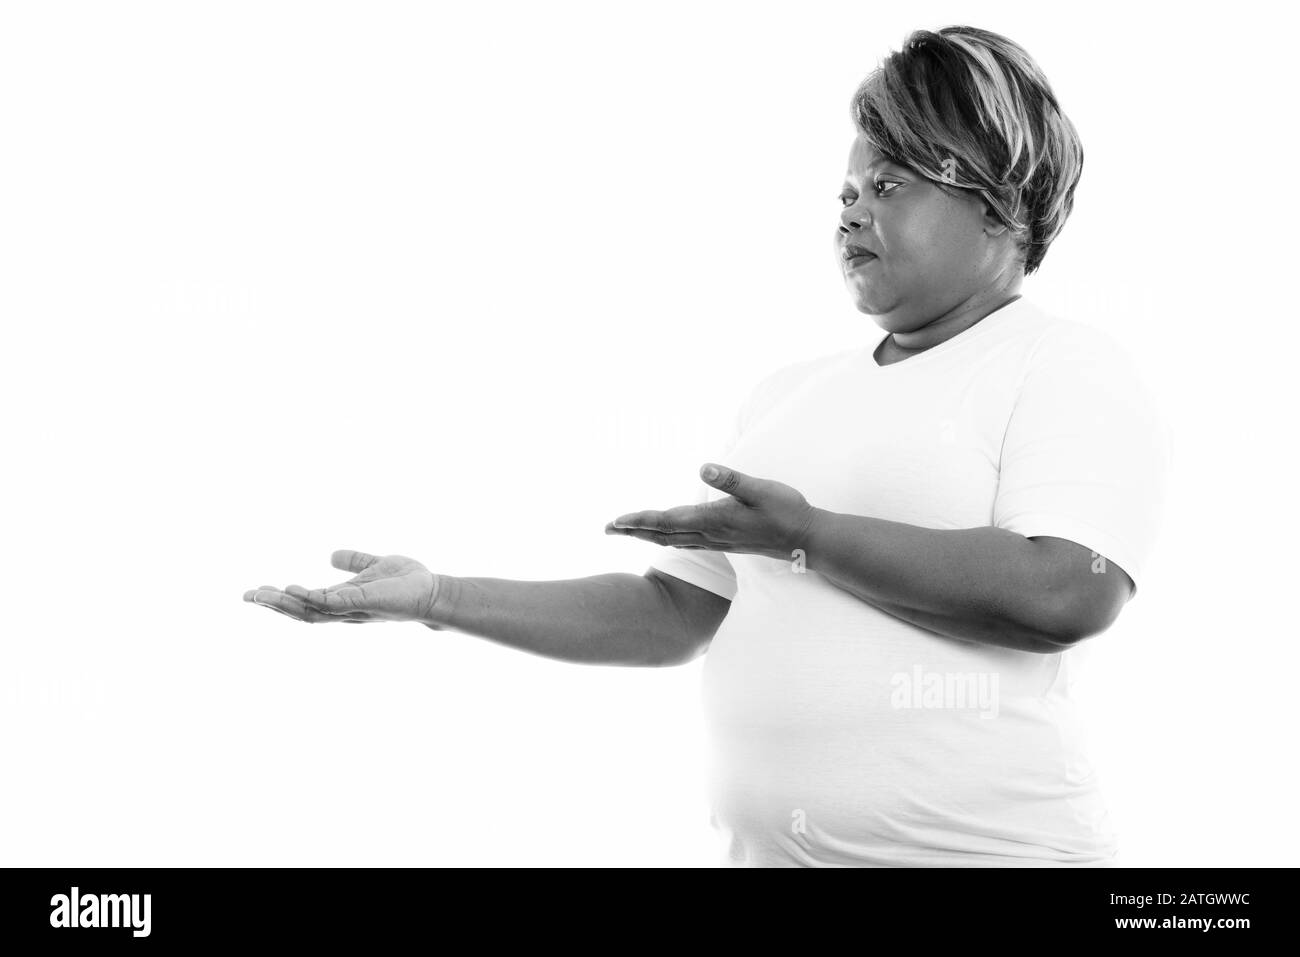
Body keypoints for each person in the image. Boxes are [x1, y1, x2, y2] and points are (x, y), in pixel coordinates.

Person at [245, 25, 1169, 867]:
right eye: (846, 190)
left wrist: (807, 535)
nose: (849, 212)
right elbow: (672, 615)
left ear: (1001, 206)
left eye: (889, 185)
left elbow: (1067, 589)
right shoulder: (787, 396)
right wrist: (437, 597)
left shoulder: (1062, 364)